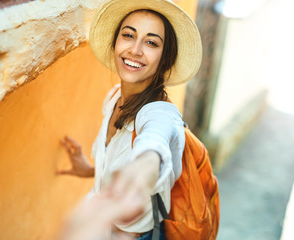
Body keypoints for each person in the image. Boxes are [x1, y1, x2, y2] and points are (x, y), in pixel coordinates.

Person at [58, 0, 202, 239]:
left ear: (164, 59)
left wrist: (135, 182)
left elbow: (152, 149)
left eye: (151, 42)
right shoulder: (114, 97)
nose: (135, 50)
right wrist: (90, 170)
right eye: (128, 35)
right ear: (115, 42)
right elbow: (120, 162)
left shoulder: (161, 114)